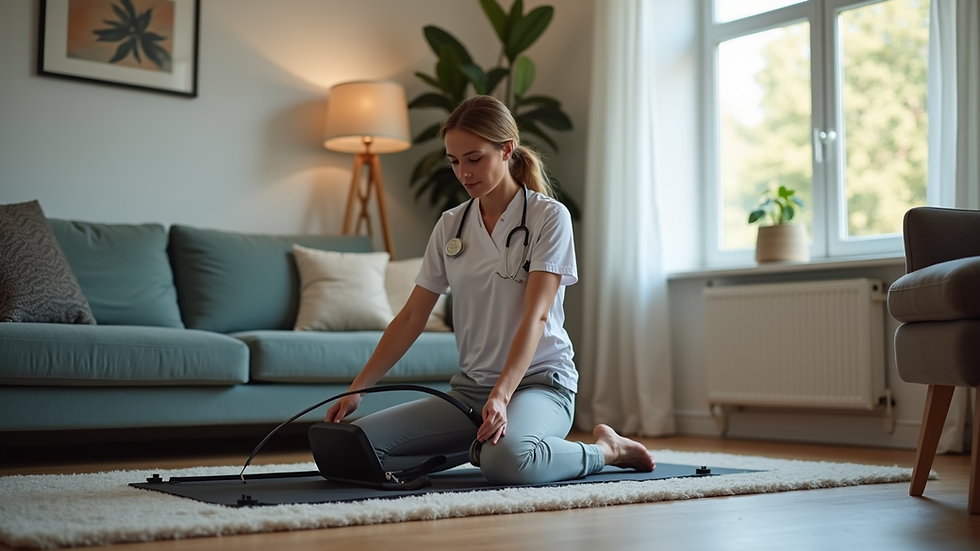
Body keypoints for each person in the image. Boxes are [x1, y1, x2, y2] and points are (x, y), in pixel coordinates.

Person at [325, 95, 654, 485]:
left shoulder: (549, 218)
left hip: (539, 384)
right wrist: (358, 387)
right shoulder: (450, 225)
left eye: (474, 158)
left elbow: (538, 315)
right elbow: (413, 316)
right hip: (470, 395)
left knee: (509, 462)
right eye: (454, 161)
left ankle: (607, 449)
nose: (464, 172)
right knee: (356, 444)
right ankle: (479, 443)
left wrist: (501, 396)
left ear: (506, 150)